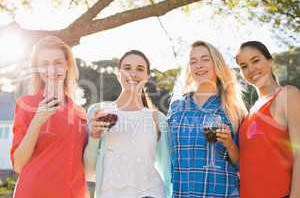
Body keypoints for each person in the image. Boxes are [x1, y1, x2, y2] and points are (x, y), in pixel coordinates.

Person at [84, 50, 172, 198]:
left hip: (150, 194)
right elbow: (89, 172)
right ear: (119, 74)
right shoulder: (99, 112)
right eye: (127, 68)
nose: (133, 73)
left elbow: (167, 172)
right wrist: (94, 137)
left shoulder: (158, 119)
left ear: (147, 77)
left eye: (140, 69)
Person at [10, 36, 89, 198]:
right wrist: (37, 121)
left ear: (67, 65)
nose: (51, 70)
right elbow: (18, 164)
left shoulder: (80, 112)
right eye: (45, 64)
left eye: (58, 63)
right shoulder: (27, 104)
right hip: (35, 192)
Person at [168, 40, 247, 197]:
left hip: (222, 192)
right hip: (183, 192)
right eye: (193, 61)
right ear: (189, 69)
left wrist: (230, 144)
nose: (199, 65)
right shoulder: (177, 107)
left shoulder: (232, 108)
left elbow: (241, 162)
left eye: (205, 59)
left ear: (216, 64)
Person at [236, 41, 300, 198]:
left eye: (255, 60)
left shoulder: (287, 95)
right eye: (244, 66)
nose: (251, 69)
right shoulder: (249, 112)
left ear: (270, 61)